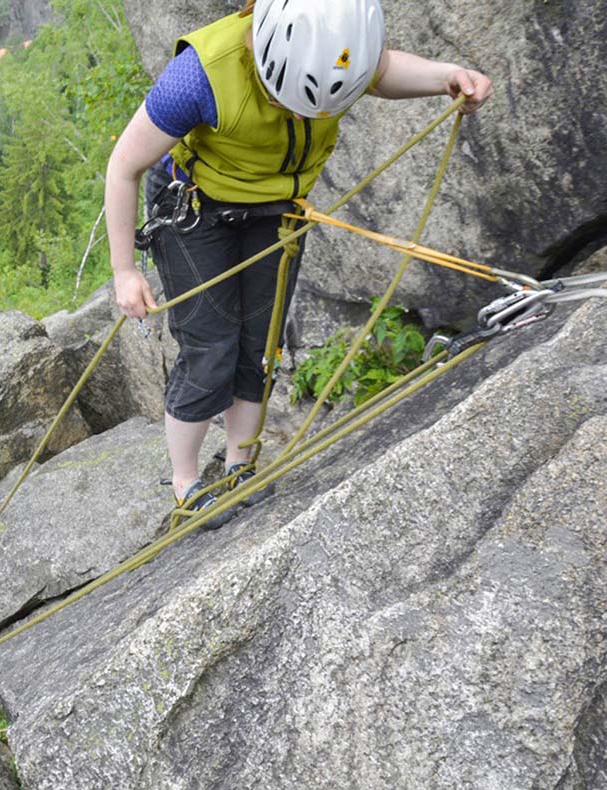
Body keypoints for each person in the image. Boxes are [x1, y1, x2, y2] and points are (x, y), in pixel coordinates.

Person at [106, 0, 492, 523]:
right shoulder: (200, 74)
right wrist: (124, 271)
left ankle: (242, 463)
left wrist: (447, 76)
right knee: (211, 346)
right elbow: (124, 165)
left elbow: (380, 72)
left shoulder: (340, 46)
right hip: (197, 210)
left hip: (278, 213)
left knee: (261, 343)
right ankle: (186, 481)